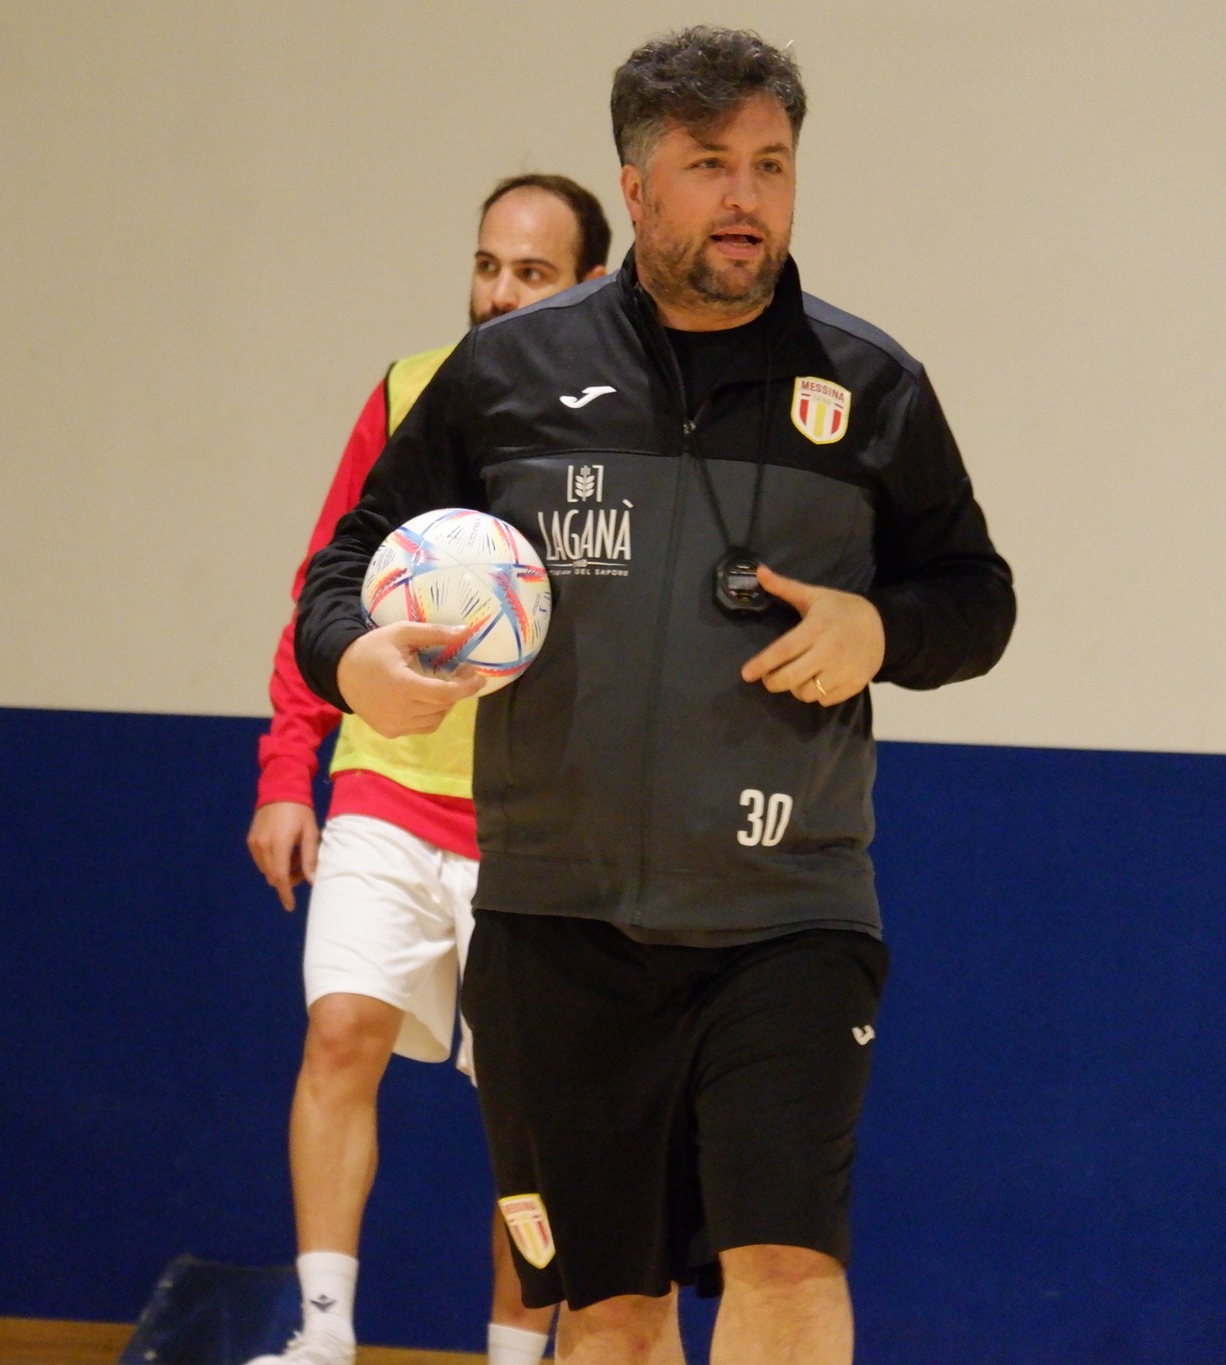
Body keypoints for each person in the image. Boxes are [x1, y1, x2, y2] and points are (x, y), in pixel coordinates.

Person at [294, 27, 1015, 1365]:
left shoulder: (870, 387)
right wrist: (354, 661)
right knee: (611, 1306)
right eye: (709, 165)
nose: (747, 198)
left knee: (785, 1260)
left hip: (787, 915)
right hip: (554, 921)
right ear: (635, 186)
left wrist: (879, 627)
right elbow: (344, 565)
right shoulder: (504, 375)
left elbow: (976, 597)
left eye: (770, 165)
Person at [246, 174, 613, 1365]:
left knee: (527, 1115)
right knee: (339, 1031)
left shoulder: (620, 424)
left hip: (538, 817)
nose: (498, 292)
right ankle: (322, 1339)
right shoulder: (410, 390)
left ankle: (516, 1353)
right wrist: (287, 769)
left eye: (531, 273)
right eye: (486, 265)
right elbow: (324, 584)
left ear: (590, 284)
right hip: (386, 782)